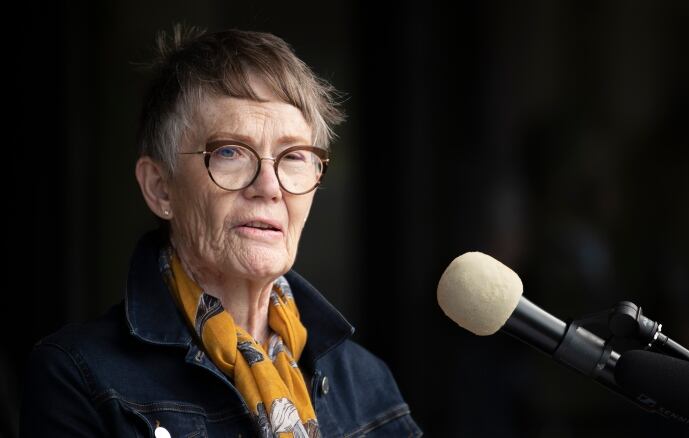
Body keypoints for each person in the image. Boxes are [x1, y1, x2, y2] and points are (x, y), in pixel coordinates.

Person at [20, 25, 422, 438]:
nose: (269, 187)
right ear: (161, 188)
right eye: (230, 152)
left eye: (294, 156)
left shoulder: (366, 384)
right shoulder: (79, 378)